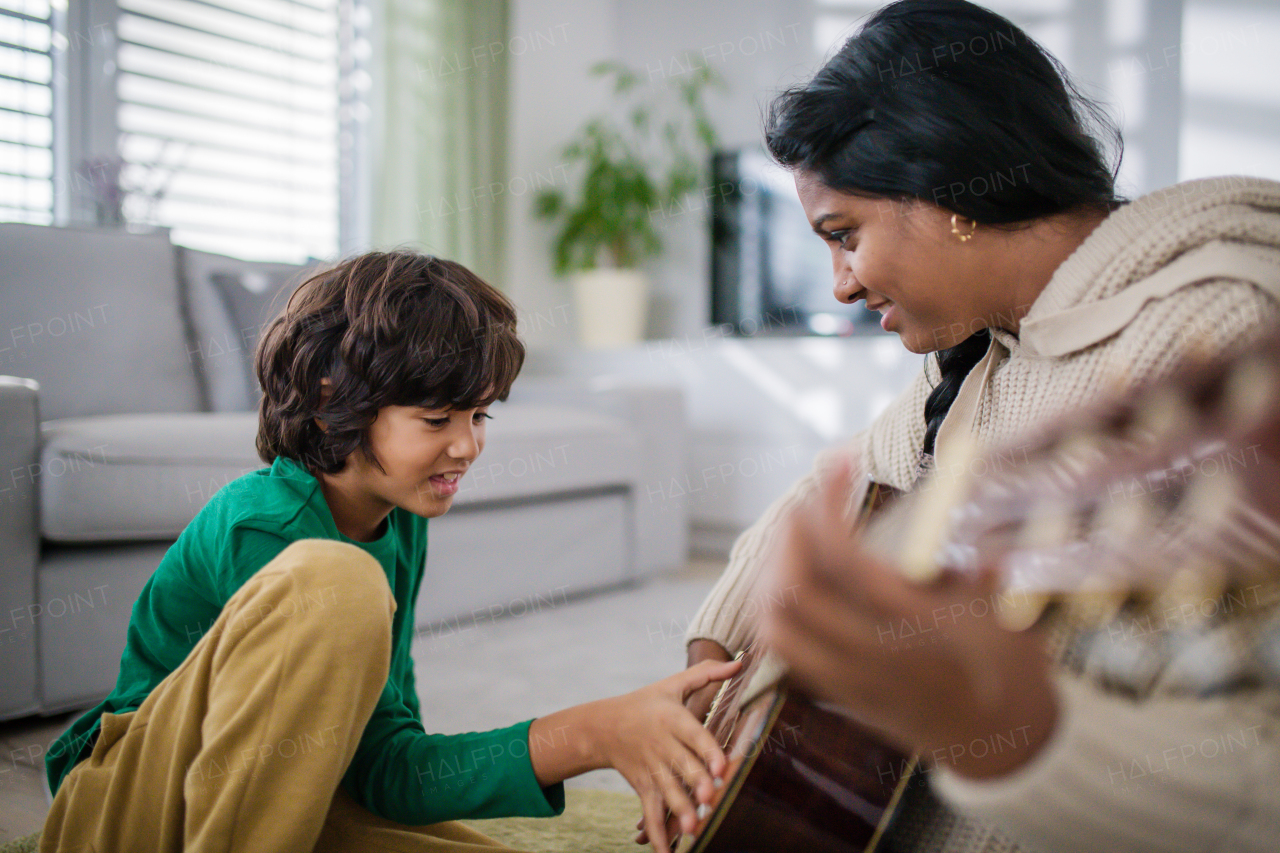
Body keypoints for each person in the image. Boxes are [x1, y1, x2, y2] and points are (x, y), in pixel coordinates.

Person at [677, 1, 1280, 850]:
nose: (840, 286)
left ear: (948, 189)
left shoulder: (1211, 338)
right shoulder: (988, 345)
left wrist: (1003, 725)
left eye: (845, 235)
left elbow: (1254, 779)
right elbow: (839, 481)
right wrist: (718, 649)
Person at [40, 251, 740, 853]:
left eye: (479, 415)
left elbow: (385, 765)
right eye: (438, 419)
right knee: (338, 580)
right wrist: (592, 732)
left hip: (273, 795)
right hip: (131, 803)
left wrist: (598, 731)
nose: (468, 445)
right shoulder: (266, 524)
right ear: (327, 400)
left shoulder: (397, 520)